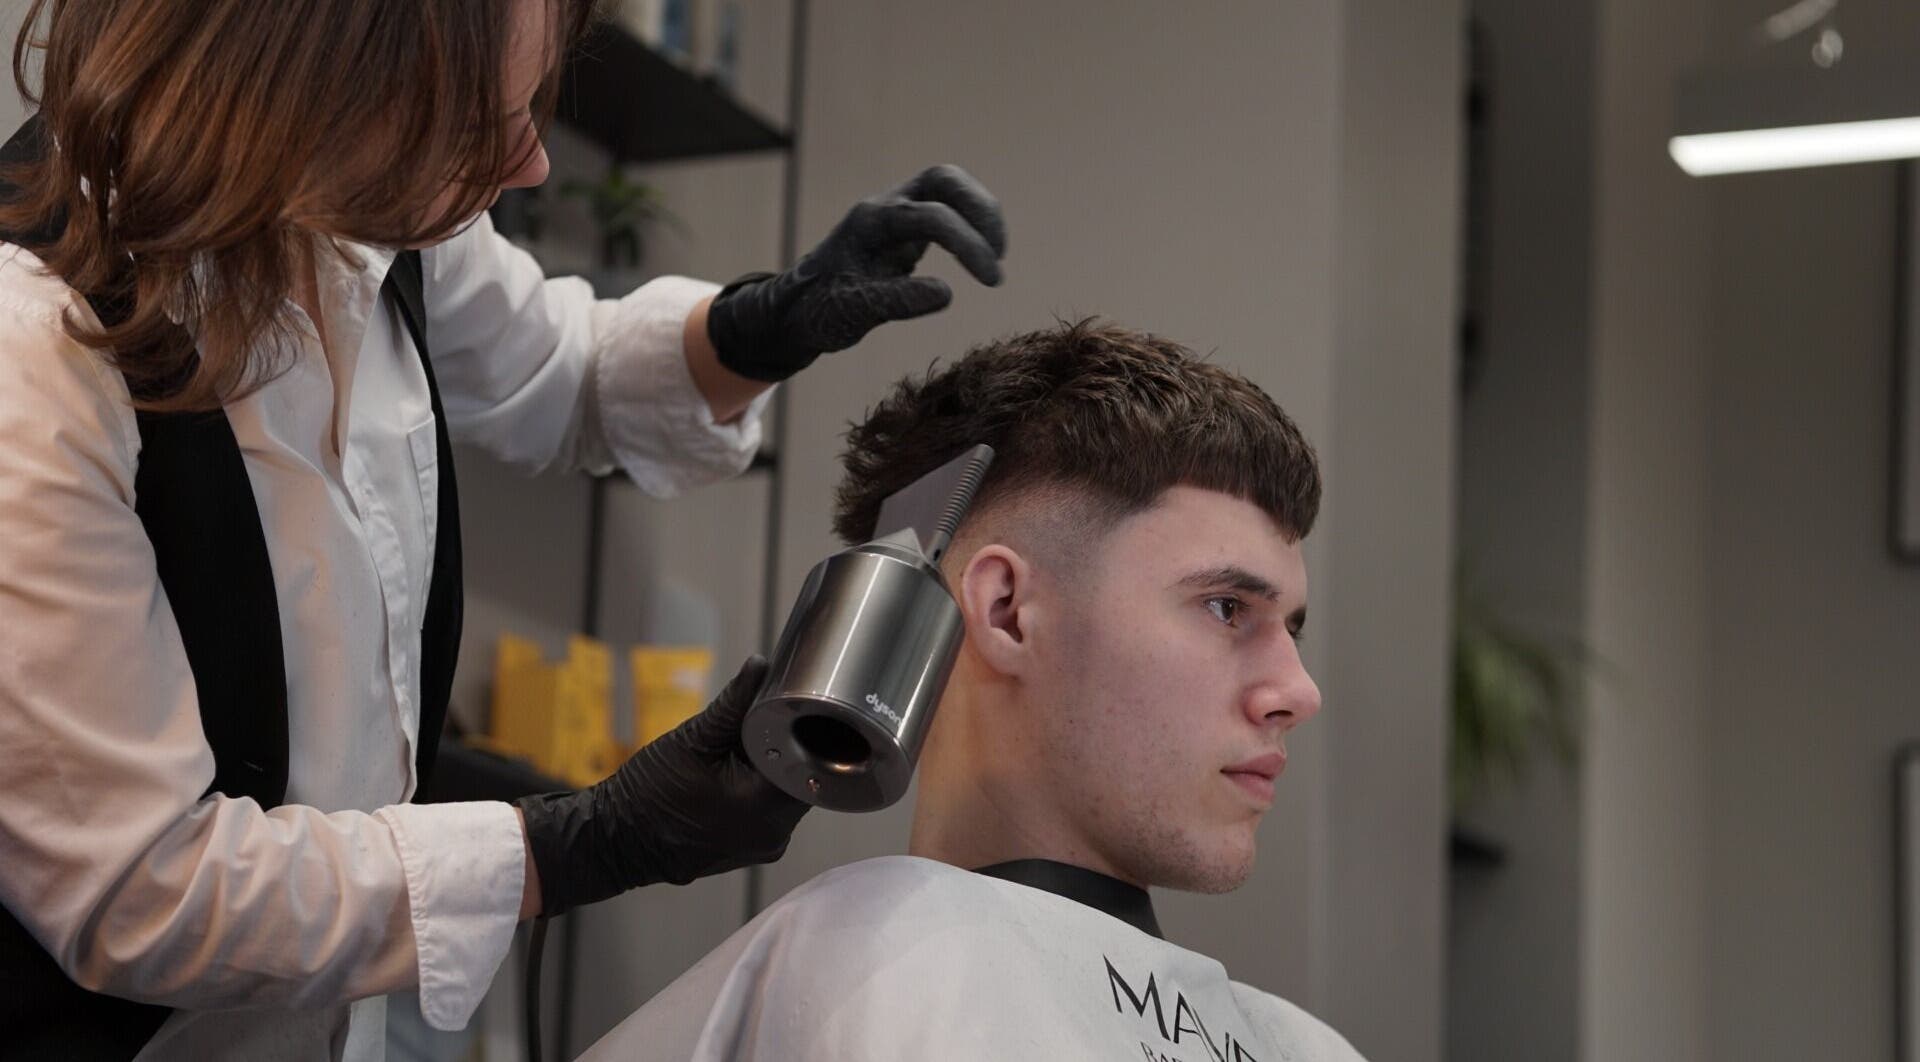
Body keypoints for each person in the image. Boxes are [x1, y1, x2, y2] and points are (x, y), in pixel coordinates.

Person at [0, 0, 1007, 1058]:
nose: (527, 163)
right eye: (484, 124)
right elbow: (141, 889)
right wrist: (580, 848)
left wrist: (761, 326)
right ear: (307, 88)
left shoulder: (349, 211)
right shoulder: (36, 356)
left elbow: (556, 372)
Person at [580, 320, 1366, 1062]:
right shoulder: (842, 967)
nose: (1297, 691)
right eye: (1228, 609)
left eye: (1289, 629)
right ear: (1006, 612)